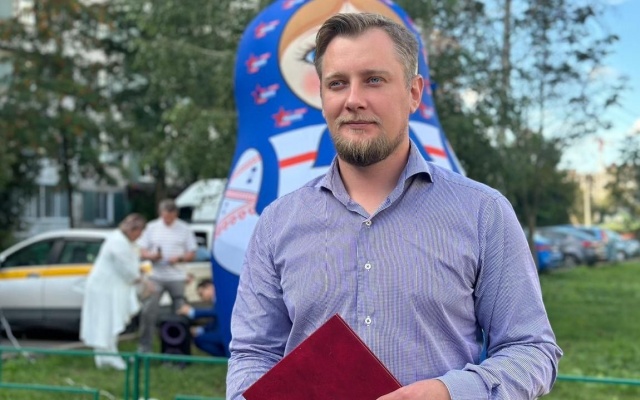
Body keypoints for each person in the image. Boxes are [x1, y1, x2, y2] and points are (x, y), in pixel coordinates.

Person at [226, 12, 562, 400]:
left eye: (374, 80)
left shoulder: (483, 213)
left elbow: (531, 349)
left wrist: (449, 393)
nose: (353, 100)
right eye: (337, 83)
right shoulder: (277, 223)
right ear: (322, 97)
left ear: (414, 93)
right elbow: (253, 354)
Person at [80, 213, 147, 370]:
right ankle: (106, 356)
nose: (141, 235)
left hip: (111, 288)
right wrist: (142, 279)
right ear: (133, 230)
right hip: (104, 289)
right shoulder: (118, 242)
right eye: (140, 231)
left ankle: (107, 355)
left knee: (108, 322)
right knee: (105, 322)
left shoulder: (123, 240)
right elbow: (127, 270)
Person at [137, 198, 198, 353]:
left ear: (176, 214)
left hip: (177, 276)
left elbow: (192, 253)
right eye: (165, 216)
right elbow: (142, 251)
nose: (168, 219)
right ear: (161, 213)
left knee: (180, 311)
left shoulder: (184, 229)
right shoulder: (151, 227)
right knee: (149, 310)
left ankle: (181, 346)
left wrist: (179, 258)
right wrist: (152, 256)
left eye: (171, 217)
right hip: (156, 275)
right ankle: (145, 347)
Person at [177, 278, 226, 357]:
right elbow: (215, 322)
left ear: (209, 287)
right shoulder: (218, 299)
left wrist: (191, 311)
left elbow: (216, 313)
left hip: (228, 333)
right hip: (225, 331)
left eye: (201, 294)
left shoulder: (222, 297)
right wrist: (200, 330)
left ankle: (225, 357)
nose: (201, 298)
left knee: (199, 340)